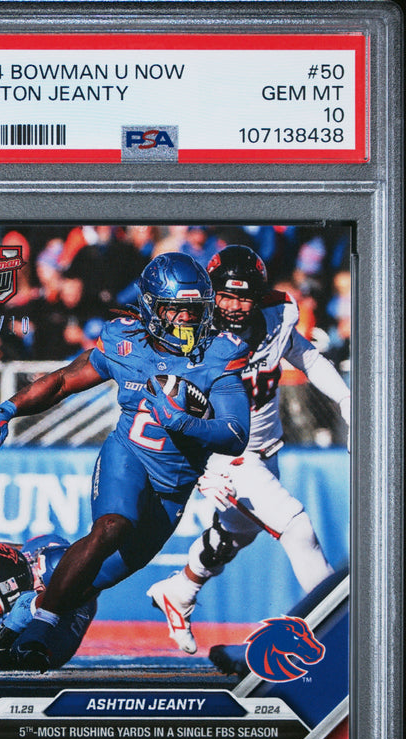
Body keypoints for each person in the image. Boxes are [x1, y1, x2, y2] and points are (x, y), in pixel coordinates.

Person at [0, 252, 251, 671]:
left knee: (91, 582)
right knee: (111, 527)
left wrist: (183, 423)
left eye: (195, 311)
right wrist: (7, 408)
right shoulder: (126, 342)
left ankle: (22, 614)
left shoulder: (219, 355)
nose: (186, 320)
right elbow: (64, 381)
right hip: (129, 456)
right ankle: (36, 629)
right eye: (176, 310)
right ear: (152, 308)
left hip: (172, 489)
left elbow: (235, 434)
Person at [147, 245, 351, 654]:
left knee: (234, 536)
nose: (234, 306)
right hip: (226, 454)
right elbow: (165, 403)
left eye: (244, 297)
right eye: (225, 296)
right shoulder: (192, 332)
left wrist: (346, 400)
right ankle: (340, 635)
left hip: (266, 448)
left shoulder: (277, 316)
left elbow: (307, 357)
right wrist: (199, 466)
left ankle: (180, 590)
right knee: (297, 528)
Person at [0, 536, 96, 670]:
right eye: (32, 562)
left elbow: (35, 659)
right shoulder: (41, 548)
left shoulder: (68, 620)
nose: (31, 574)